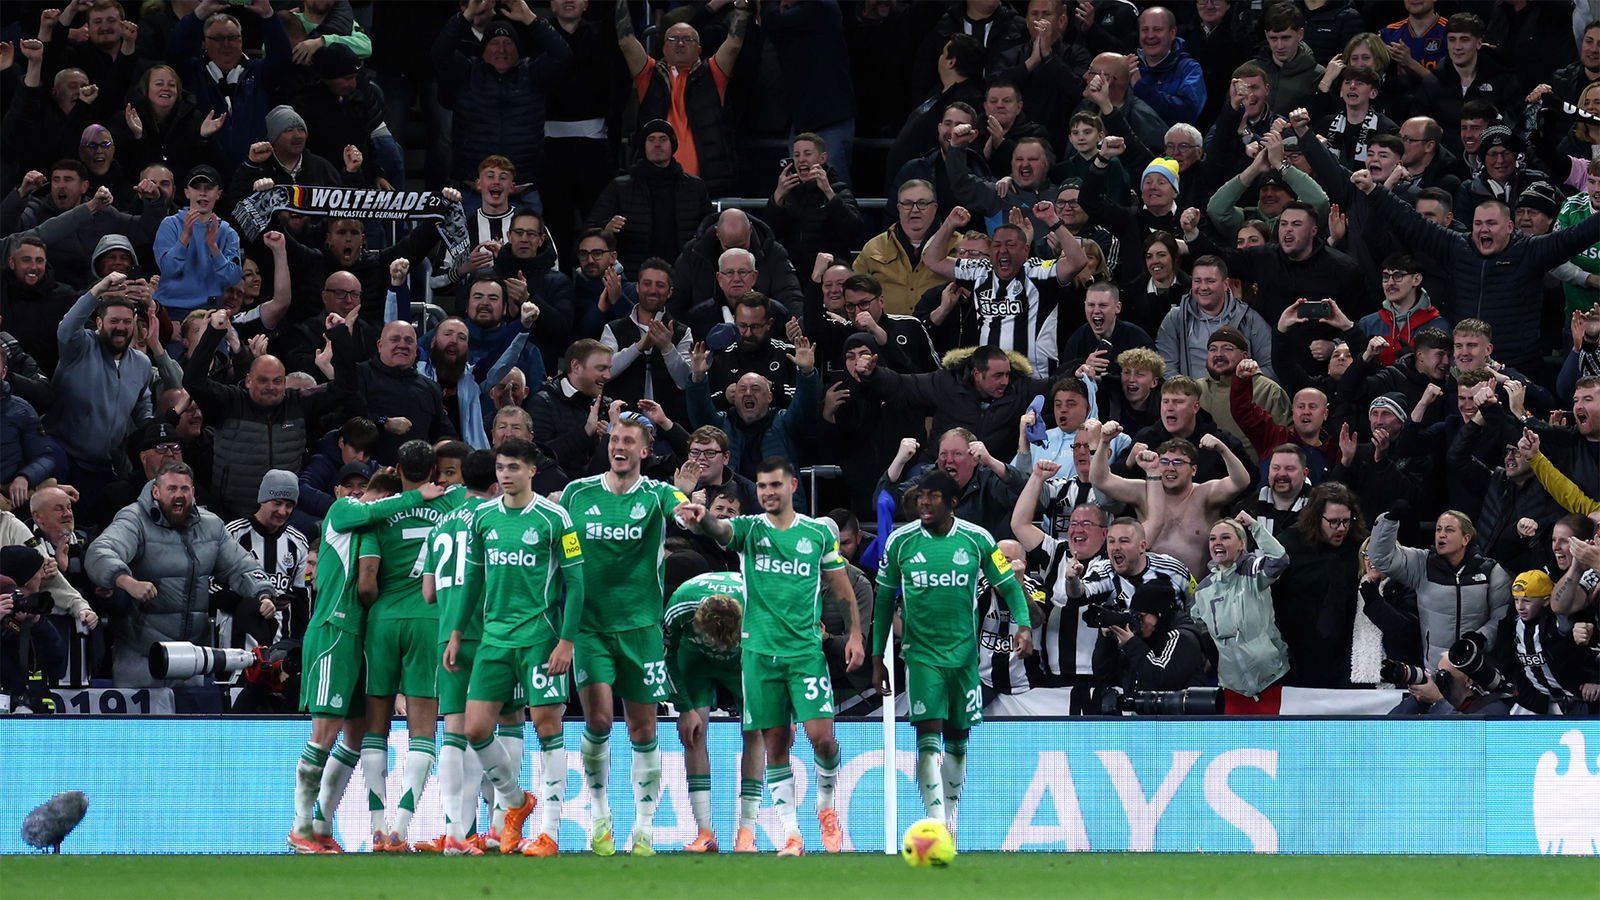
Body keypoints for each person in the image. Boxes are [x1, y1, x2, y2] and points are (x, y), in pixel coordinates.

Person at [676, 456, 864, 857]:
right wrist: (703, 517)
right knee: (774, 742)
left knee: (822, 739)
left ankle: (826, 807)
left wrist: (856, 635)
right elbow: (720, 528)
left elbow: (839, 585)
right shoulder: (750, 530)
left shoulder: (815, 534)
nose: (767, 493)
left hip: (804, 653)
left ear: (792, 486)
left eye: (774, 486)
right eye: (761, 487)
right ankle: (791, 834)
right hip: (759, 654)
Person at [288, 468, 448, 854]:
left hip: (361, 637)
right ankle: (300, 827)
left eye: (365, 492)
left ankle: (323, 823)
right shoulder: (343, 511)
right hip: (333, 632)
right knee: (324, 733)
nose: (362, 499)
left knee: (355, 737)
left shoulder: (369, 527)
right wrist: (415, 496)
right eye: (357, 492)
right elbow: (367, 514)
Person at [873, 468, 1031, 830]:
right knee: (928, 734)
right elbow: (883, 602)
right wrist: (877, 656)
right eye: (920, 496)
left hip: (964, 658)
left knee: (959, 738)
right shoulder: (900, 541)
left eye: (933, 496)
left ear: (953, 502)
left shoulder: (977, 540)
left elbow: (1008, 587)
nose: (924, 502)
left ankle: (949, 815)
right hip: (921, 655)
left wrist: (1023, 625)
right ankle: (934, 819)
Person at [559, 416, 688, 857]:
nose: (619, 445)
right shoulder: (578, 493)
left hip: (641, 628)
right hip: (590, 628)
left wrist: (688, 507)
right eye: (614, 438)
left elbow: (680, 506)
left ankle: (645, 828)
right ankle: (599, 818)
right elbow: (561, 544)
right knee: (597, 721)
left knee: (643, 727)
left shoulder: (655, 495)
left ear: (644, 451)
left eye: (629, 440)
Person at [459, 438, 586, 857]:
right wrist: (459, 631)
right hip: (494, 640)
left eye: (513, 467)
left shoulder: (555, 518)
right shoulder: (483, 518)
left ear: (532, 470)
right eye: (500, 468)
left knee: (548, 727)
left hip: (540, 639)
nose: (505, 475)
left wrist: (566, 640)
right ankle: (515, 800)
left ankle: (548, 832)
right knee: (475, 728)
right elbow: (473, 579)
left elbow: (577, 583)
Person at [358, 441, 466, 852]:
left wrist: (379, 605)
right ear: (436, 469)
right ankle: (402, 826)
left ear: (398, 467)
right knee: (422, 729)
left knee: (376, 727)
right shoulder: (450, 504)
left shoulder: (379, 512)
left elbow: (367, 582)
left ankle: (376, 825)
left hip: (383, 620)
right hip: (429, 618)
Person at [84, 461, 272, 687]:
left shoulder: (211, 525)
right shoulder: (134, 519)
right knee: (138, 723)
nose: (179, 495)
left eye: (184, 489)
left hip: (192, 657)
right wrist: (126, 581)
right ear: (155, 491)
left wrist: (263, 593)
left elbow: (241, 565)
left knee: (193, 721)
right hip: (141, 653)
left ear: (193, 492)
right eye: (171, 489)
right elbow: (99, 552)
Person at [422, 449, 515, 855]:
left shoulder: (440, 523)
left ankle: (456, 833)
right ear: (495, 484)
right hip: (494, 632)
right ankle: (499, 827)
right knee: (507, 723)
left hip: (449, 635)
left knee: (456, 733)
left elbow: (427, 593)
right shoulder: (495, 520)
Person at [664, 568, 765, 853]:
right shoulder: (681, 605)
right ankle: (705, 832)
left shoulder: (760, 605)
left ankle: (747, 832)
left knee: (755, 731)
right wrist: (684, 707)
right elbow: (666, 655)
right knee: (693, 733)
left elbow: (781, 653)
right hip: (696, 660)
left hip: (745, 662)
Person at [432, 6, 572, 193]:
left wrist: (529, 18)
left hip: (523, 187)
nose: (501, 50)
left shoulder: (533, 74)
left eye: (508, 43)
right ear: (483, 49)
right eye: (494, 43)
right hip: (473, 186)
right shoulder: (466, 73)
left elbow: (562, 54)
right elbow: (440, 52)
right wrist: (468, 14)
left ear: (518, 49)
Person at [616, 0, 750, 195]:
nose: (680, 43)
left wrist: (742, 8)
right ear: (662, 48)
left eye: (688, 39)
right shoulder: (649, 74)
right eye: (672, 39)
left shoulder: (713, 73)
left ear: (699, 49)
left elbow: (734, 43)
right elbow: (626, 42)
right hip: (655, 185)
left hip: (707, 184)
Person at [1089, 422, 1252, 576]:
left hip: (1198, 594)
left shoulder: (1205, 494)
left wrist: (1223, 449)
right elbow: (1100, 480)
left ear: (1193, 470)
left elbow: (1241, 481)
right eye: (1164, 462)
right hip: (1150, 590)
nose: (1170, 468)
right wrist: (1104, 442)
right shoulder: (1143, 491)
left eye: (1178, 462)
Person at [1366, 501, 1512, 667]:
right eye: (1438, 529)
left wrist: (1482, 637)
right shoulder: (1421, 564)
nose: (1441, 535)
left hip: (1477, 667)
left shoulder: (1491, 571)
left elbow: (1501, 617)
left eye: (1449, 530)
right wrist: (1389, 522)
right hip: (1435, 669)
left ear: (1466, 538)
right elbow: (1381, 559)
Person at [47, 272, 153, 492]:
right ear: (98, 322)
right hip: (63, 457)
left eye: (126, 322)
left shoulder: (142, 363)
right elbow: (67, 327)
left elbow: (143, 409)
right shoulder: (79, 347)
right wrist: (97, 291)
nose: (121, 327)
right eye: (114, 321)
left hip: (104, 465)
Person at [1189, 511, 1293, 714]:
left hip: (1272, 679)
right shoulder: (1203, 589)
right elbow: (1201, 629)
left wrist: (1254, 526)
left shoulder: (1254, 572)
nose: (1217, 543)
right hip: (1233, 688)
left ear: (1241, 545)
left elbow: (1280, 559)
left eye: (1225, 537)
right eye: (1212, 539)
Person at [586, 120, 714, 278]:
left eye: (663, 139)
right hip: (633, 275)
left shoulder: (694, 186)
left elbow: (709, 226)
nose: (657, 144)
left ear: (672, 145)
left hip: (683, 273)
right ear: (643, 146)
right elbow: (591, 229)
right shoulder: (620, 187)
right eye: (651, 139)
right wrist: (607, 229)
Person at [216, 470, 310, 653]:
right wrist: (249, 604)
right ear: (262, 499)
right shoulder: (233, 534)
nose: (283, 511)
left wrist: (298, 644)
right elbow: (212, 586)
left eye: (289, 505)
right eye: (277, 503)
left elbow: (302, 598)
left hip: (280, 644)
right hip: (235, 641)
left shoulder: (298, 542)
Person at [1497, 569, 1595, 715]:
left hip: (1577, 699)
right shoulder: (1510, 626)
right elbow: (1509, 664)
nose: (1520, 607)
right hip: (1535, 702)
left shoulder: (1561, 623)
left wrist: (1595, 680)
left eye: (1527, 600)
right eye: (1516, 600)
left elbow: (1585, 654)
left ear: (1546, 601)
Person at [152, 165, 240, 312]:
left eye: (209, 188)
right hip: (171, 307)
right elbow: (168, 270)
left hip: (211, 309)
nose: (203, 193)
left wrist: (213, 247)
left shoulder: (227, 232)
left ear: (218, 194)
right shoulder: (170, 225)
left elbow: (232, 279)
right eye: (197, 187)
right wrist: (185, 237)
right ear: (187, 192)